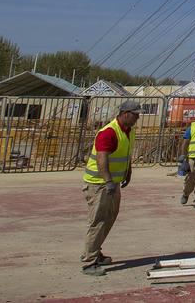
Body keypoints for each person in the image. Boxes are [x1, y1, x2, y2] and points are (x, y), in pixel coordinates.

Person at [80, 100, 140, 276]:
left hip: (112, 183)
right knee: (98, 221)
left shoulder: (128, 132)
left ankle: (94, 251)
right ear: (125, 113)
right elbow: (102, 158)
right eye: (135, 114)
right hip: (99, 184)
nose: (137, 118)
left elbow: (125, 154)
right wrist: (108, 181)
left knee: (109, 219)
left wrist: (127, 172)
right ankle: (89, 262)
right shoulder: (108, 132)